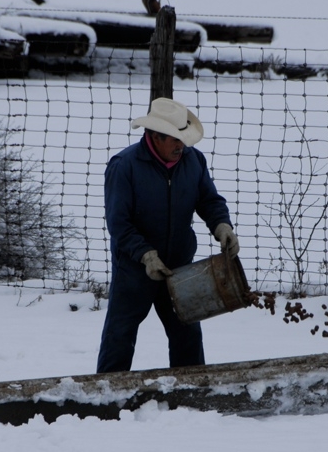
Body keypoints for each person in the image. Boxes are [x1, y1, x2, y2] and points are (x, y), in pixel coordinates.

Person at [97, 98, 240, 373]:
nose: (181, 146)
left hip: (180, 266)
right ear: (154, 136)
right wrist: (146, 255)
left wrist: (222, 225)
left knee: (187, 333)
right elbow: (119, 223)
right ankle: (107, 397)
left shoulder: (193, 160)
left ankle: (191, 393)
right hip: (134, 268)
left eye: (183, 139)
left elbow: (209, 200)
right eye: (175, 139)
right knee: (120, 335)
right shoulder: (124, 166)